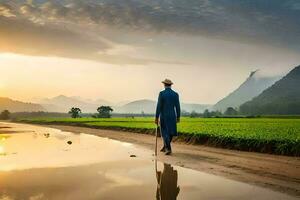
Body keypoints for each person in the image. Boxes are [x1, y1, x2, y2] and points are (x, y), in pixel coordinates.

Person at [155, 79, 181, 155]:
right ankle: (165, 146)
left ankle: (168, 148)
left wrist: (156, 117)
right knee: (170, 133)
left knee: (165, 132)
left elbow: (159, 106)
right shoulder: (175, 94)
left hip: (164, 116)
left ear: (164, 85)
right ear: (170, 85)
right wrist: (178, 116)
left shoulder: (162, 94)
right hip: (172, 116)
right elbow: (178, 107)